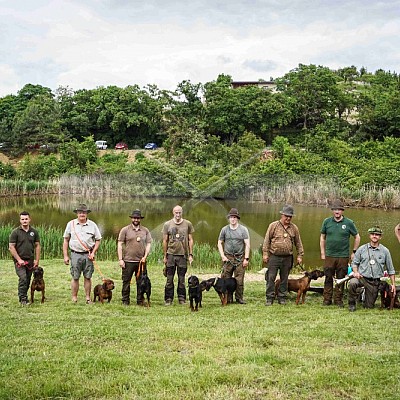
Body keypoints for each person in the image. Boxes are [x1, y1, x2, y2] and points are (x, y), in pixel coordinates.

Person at [320, 199, 360, 307]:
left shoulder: (349, 223)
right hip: (329, 255)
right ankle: (327, 299)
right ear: (332, 211)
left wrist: (354, 252)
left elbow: (357, 237)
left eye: (339, 210)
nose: (337, 212)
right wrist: (323, 252)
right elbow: (322, 237)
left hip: (343, 256)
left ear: (342, 211)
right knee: (328, 277)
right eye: (335, 209)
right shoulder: (327, 222)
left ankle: (338, 300)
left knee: (341, 278)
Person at [263, 204, 304, 306]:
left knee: (284, 279)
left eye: (290, 216)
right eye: (286, 216)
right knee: (271, 278)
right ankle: (270, 297)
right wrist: (265, 253)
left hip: (287, 258)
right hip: (274, 256)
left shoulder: (294, 228)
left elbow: (298, 242)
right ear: (282, 215)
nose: (288, 218)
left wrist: (300, 255)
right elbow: (266, 240)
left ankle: (282, 297)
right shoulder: (273, 226)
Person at [348, 226, 395, 312]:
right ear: (370, 236)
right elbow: (354, 263)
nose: (374, 236)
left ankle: (363, 293)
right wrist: (355, 272)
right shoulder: (361, 249)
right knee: (352, 283)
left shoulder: (385, 251)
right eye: (373, 234)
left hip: (374, 281)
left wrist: (393, 285)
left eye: (377, 235)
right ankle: (352, 303)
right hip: (361, 278)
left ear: (380, 237)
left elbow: (391, 269)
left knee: (368, 307)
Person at [63, 204, 102, 304]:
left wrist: (93, 252)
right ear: (77, 213)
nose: (82, 214)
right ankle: (74, 297)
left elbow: (98, 240)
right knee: (75, 277)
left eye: (84, 212)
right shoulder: (70, 224)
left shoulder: (92, 225)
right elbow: (66, 240)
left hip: (88, 255)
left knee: (88, 277)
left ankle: (88, 298)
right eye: (80, 212)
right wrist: (66, 255)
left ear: (87, 214)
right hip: (75, 254)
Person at [117, 209, 152, 306]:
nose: (136, 219)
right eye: (134, 218)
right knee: (126, 281)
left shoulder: (145, 230)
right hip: (128, 260)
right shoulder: (125, 230)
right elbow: (120, 244)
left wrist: (145, 256)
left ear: (140, 219)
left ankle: (140, 300)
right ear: (131, 218)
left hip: (141, 261)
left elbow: (149, 244)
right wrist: (120, 259)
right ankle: (125, 300)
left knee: (141, 282)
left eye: (138, 218)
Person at [162, 205, 194, 305]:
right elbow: (165, 240)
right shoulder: (167, 224)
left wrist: (190, 254)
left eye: (179, 212)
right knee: (169, 279)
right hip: (171, 255)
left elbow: (190, 239)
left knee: (181, 279)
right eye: (176, 212)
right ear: (173, 212)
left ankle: (182, 298)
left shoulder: (187, 224)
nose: (178, 215)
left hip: (182, 256)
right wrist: (165, 256)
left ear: (182, 212)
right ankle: (168, 299)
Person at [217, 208, 250, 304]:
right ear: (229, 218)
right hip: (228, 257)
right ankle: (227, 298)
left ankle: (239, 298)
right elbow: (219, 243)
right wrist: (222, 256)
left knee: (239, 280)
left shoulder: (243, 230)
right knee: (225, 279)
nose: (233, 219)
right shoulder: (224, 229)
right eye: (231, 217)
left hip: (240, 258)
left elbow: (247, 244)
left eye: (235, 217)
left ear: (237, 218)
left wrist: (246, 259)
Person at [9, 211, 41, 306]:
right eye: (22, 219)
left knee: (27, 279)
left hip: (30, 260)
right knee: (23, 278)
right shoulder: (15, 232)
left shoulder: (34, 232)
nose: (24, 221)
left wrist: (37, 260)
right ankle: (23, 298)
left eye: (26, 219)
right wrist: (19, 259)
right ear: (20, 220)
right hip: (19, 261)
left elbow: (37, 246)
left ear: (29, 219)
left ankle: (24, 295)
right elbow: (11, 247)